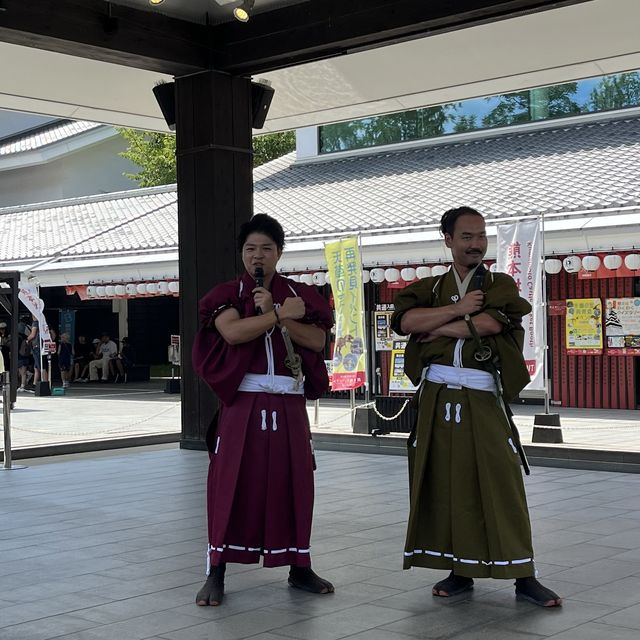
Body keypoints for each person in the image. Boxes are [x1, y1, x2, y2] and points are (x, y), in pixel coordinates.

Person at [390, 207, 562, 608]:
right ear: (448, 239)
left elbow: (490, 325)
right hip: (437, 400)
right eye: (466, 236)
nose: (476, 244)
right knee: (447, 484)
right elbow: (406, 321)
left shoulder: (498, 283)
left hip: (482, 399)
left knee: (502, 483)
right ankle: (460, 570)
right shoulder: (430, 286)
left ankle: (524, 575)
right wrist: (458, 309)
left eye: (481, 236)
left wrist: (434, 328)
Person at [192, 213, 334, 606]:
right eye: (251, 249)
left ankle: (299, 566)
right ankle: (216, 569)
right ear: (242, 253)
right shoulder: (227, 294)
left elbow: (318, 340)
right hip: (243, 404)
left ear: (279, 253)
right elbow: (233, 332)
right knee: (229, 485)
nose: (259, 256)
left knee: (295, 484)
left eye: (267, 249)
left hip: (288, 403)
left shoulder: (299, 295)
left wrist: (283, 316)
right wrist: (276, 315)